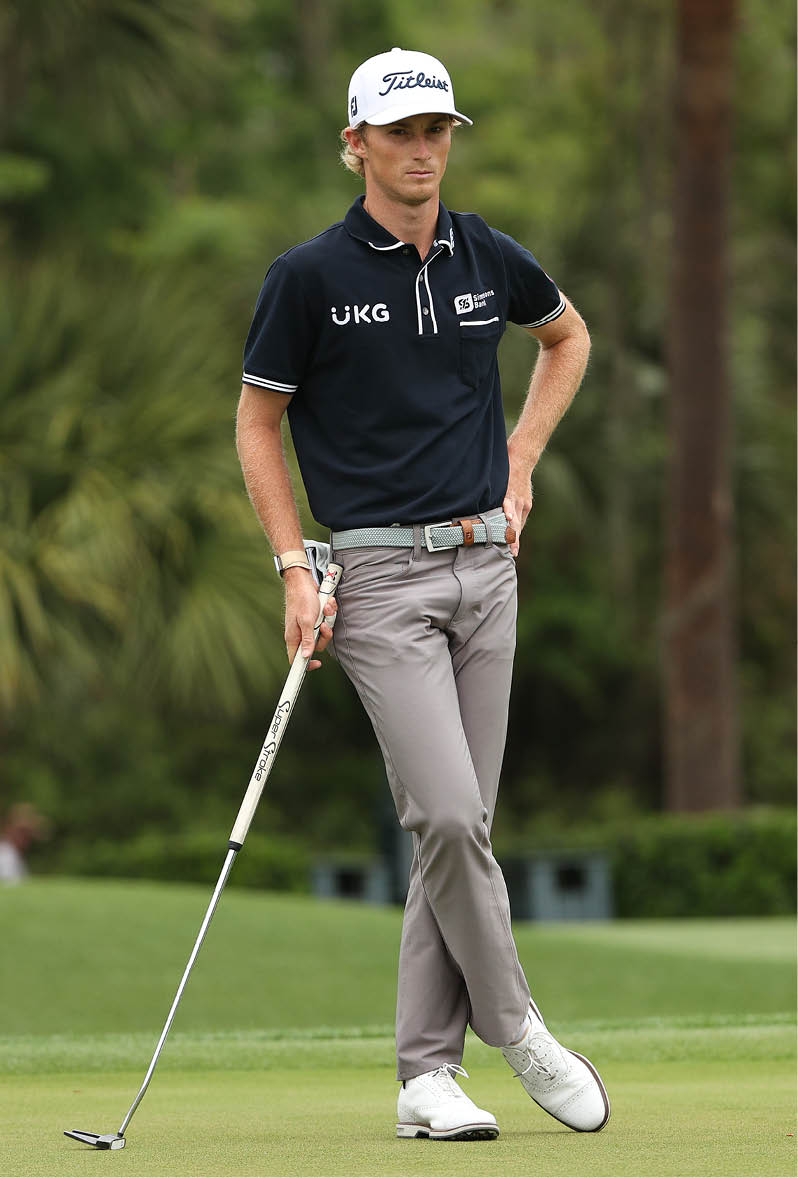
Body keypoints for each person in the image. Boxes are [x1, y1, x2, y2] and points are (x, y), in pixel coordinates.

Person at [236, 47, 610, 1141]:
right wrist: (292, 565)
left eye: (437, 130)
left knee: (461, 829)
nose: (421, 150)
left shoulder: (484, 252)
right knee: (444, 812)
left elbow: (566, 337)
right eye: (398, 133)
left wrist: (523, 459)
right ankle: (521, 1025)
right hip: (379, 578)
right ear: (354, 144)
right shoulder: (307, 277)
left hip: (488, 567)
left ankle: (426, 1075)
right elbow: (259, 421)